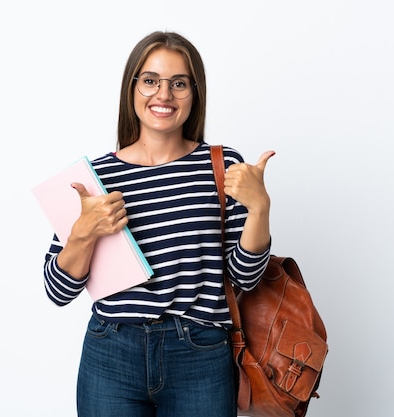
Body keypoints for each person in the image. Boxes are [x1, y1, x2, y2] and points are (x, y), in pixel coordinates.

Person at [42, 31, 274, 417]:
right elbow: (57, 290)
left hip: (199, 352)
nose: (163, 95)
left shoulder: (221, 166)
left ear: (194, 93)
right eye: (150, 81)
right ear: (131, 88)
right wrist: (84, 232)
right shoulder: (95, 178)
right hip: (111, 353)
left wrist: (261, 208)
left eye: (178, 84)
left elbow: (245, 278)